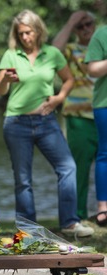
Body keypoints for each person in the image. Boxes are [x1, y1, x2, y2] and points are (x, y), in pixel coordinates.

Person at [0, 10, 94, 237]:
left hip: (47, 122)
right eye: (21, 34)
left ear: (38, 30)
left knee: (67, 167)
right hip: (16, 123)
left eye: (28, 32)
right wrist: (5, 80)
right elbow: (0, 90)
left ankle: (70, 223)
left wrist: (59, 98)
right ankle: (28, 230)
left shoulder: (52, 54)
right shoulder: (11, 55)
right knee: (23, 179)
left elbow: (69, 79)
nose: (25, 38)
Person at [52, 11, 97, 220]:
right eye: (81, 26)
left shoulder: (103, 47)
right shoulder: (71, 49)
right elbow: (53, 51)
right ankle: (78, 215)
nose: (86, 29)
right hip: (79, 117)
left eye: (89, 24)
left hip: (103, 113)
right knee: (79, 168)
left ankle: (102, 212)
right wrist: (71, 22)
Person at [86, 24, 107, 227]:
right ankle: (103, 207)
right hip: (105, 104)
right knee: (105, 154)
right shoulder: (102, 33)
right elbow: (92, 69)